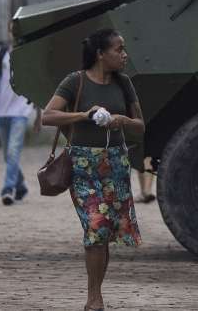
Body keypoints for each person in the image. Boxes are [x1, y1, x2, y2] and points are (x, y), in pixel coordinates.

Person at [42, 28, 145, 311]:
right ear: (100, 54)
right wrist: (84, 115)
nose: (124, 55)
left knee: (106, 232)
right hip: (83, 166)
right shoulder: (75, 82)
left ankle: (96, 291)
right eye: (118, 49)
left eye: (124, 49)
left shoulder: (124, 83)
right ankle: (93, 298)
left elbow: (140, 126)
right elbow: (47, 116)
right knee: (96, 228)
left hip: (115, 164)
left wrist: (122, 120)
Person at [0, 21, 38, 205]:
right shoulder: (0, 53)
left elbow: (36, 85)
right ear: (9, 32)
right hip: (0, 111)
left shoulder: (30, 54)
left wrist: (40, 115)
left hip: (21, 110)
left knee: (13, 151)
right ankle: (21, 186)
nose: (15, 33)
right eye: (12, 29)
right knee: (7, 154)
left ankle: (8, 189)